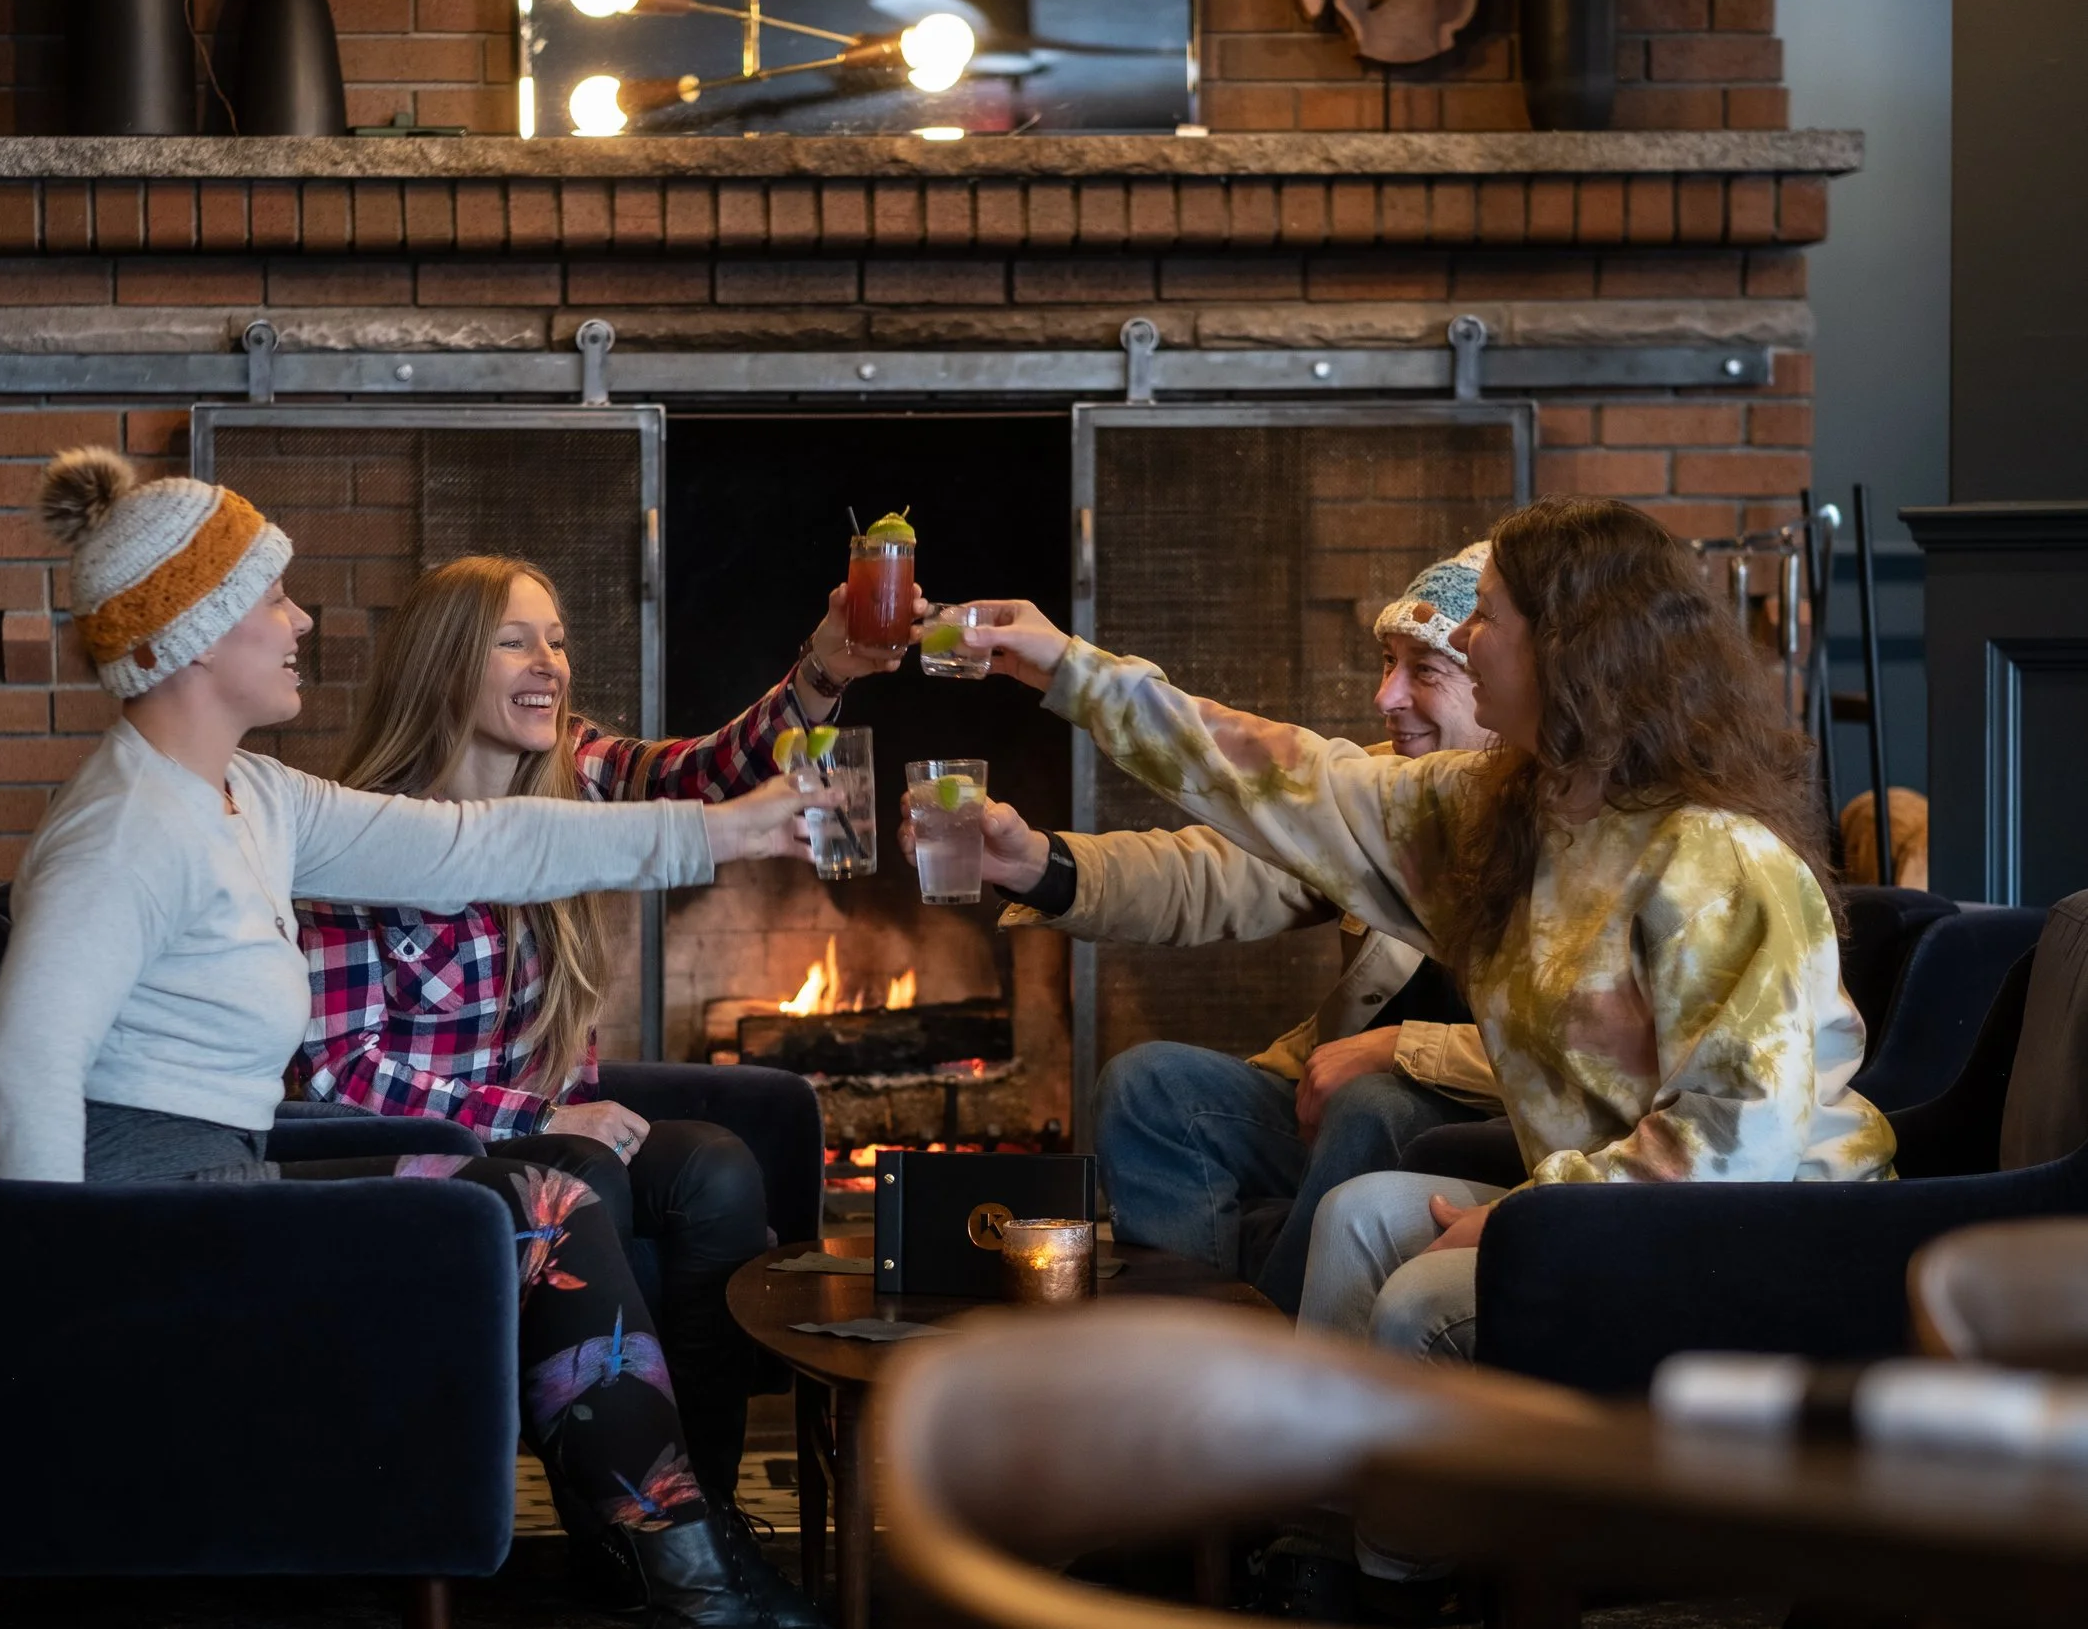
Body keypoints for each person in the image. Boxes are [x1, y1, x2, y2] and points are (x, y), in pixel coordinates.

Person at [0, 449, 822, 1629]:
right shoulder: (124, 828)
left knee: (537, 1191)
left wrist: (722, 834)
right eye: (272, 597)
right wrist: (59, 1319)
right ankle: (686, 1573)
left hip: (233, 1174)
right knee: (541, 1196)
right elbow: (25, 1066)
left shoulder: (251, 796)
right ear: (201, 630)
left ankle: (678, 1554)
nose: (300, 620)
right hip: (155, 1212)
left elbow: (480, 845)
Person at [938, 496, 1891, 1364]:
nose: (1470, 643)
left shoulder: (1715, 858)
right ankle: (1285, 1510)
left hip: (1765, 1232)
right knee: (1357, 1217)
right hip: (1607, 1205)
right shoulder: (1511, 812)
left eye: (1486, 618)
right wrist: (1070, 670)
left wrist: (1532, 1216)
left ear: (1571, 646)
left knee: (1420, 1291)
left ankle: (1381, 1555)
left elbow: (1737, 1143)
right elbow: (1286, 780)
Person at [287, 554, 905, 1521]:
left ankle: (702, 1505)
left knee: (720, 1170)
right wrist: (537, 1113)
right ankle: (627, 1528)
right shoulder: (356, 836)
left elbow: (701, 777)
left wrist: (823, 670)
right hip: (427, 1155)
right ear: (445, 662)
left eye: (559, 640)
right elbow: (339, 1072)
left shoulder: (572, 770)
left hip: (548, 1124)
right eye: (514, 640)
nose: (550, 662)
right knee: (592, 1172)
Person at [915, 546, 1502, 1313]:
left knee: (1374, 1103)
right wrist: (1037, 865)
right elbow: (1214, 876)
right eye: (1387, 662)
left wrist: (1404, 1048)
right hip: (1329, 1098)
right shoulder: (1389, 796)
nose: (1384, 694)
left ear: (1499, 685)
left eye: (1424, 672)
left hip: (1472, 1126)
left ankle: (1264, 1378)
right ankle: (1182, 1354)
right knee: (1148, 1085)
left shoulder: (1563, 823)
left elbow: (1595, 1070)